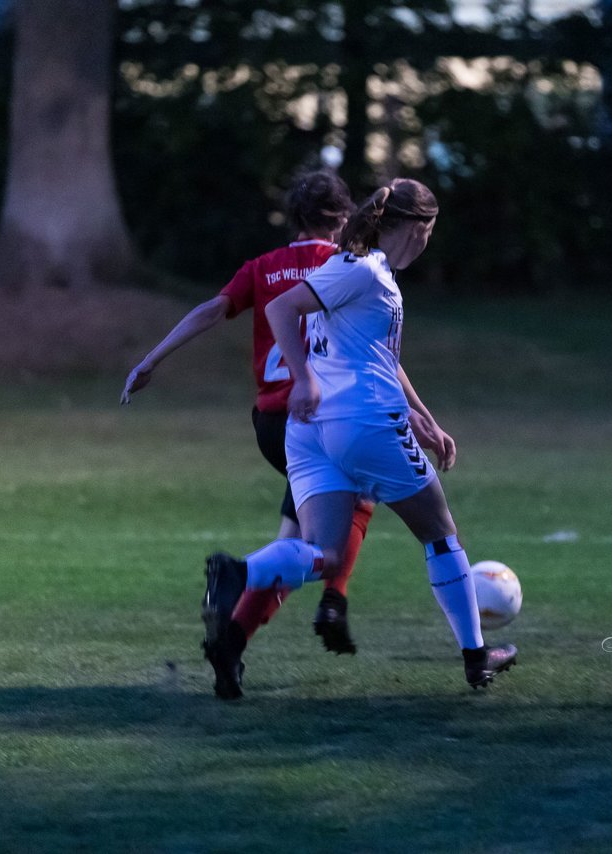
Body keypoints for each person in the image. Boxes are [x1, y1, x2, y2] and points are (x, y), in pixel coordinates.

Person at [121, 170, 455, 699]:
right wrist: (415, 411)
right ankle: (329, 601)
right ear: (347, 217)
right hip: (321, 415)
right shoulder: (347, 264)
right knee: (343, 512)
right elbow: (379, 355)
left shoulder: (263, 267)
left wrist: (151, 359)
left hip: (270, 423)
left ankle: (233, 640)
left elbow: (212, 310)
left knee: (297, 538)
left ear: (292, 221)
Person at [201, 178, 517, 693]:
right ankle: (477, 658)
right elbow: (281, 310)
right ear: (417, 227)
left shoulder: (361, 270)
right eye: (430, 231)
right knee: (440, 533)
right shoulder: (365, 269)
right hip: (363, 423)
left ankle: (240, 571)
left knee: (322, 553)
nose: (429, 242)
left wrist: (423, 416)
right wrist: (302, 378)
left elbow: (380, 358)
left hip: (313, 432)